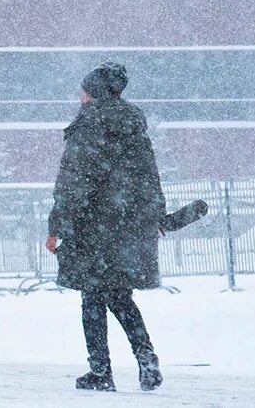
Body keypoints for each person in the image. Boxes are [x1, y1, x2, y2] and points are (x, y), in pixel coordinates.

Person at [46, 63, 166, 392]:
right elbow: (149, 176)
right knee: (120, 297)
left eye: (83, 91)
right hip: (127, 227)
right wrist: (157, 214)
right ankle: (146, 356)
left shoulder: (88, 124)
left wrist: (56, 224)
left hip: (92, 226)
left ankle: (100, 371)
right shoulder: (134, 125)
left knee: (92, 299)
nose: (80, 96)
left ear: (94, 91)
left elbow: (72, 180)